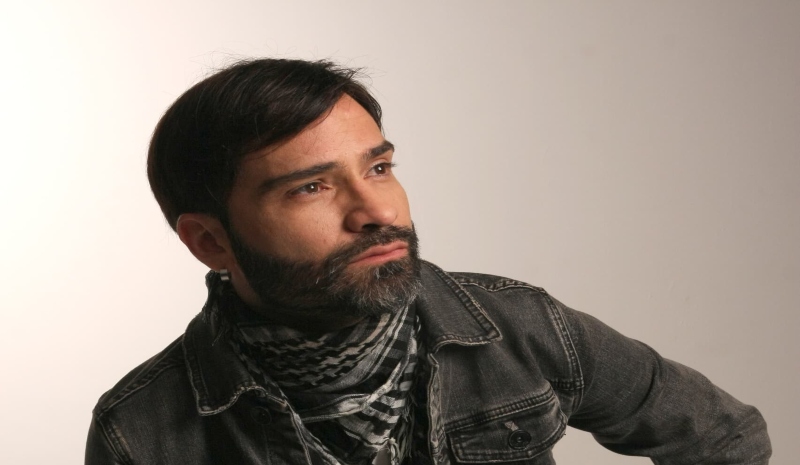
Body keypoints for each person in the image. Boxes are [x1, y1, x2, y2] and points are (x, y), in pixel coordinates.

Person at [85, 58, 771, 465]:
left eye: (379, 167)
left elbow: (725, 437)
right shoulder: (142, 428)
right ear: (210, 241)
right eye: (312, 187)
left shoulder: (520, 327)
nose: (375, 210)